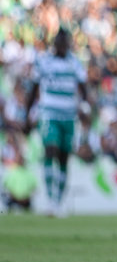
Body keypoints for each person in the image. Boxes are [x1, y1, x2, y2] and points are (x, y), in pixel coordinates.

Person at [23, 28, 92, 216]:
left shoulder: (75, 63)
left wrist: (85, 107)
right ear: (55, 44)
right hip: (49, 113)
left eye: (65, 43)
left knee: (63, 157)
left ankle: (58, 202)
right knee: (50, 150)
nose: (62, 46)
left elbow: (83, 88)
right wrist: (27, 114)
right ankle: (50, 199)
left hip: (69, 116)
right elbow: (33, 89)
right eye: (60, 43)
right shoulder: (44, 62)